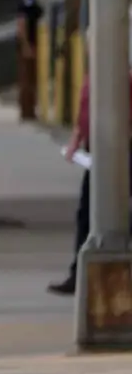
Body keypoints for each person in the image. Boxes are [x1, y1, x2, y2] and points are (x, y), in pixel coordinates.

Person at [52, 70, 132, 294]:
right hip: (99, 154)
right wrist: (76, 141)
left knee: (115, 213)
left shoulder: (120, 75)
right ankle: (79, 273)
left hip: (122, 151)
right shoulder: (92, 76)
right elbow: (84, 114)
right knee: (86, 213)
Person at [17, 0, 44, 122]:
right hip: (28, 45)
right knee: (26, 79)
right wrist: (26, 45)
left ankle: (31, 110)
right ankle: (26, 111)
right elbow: (21, 25)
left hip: (36, 45)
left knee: (33, 79)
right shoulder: (26, 4)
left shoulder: (35, 4)